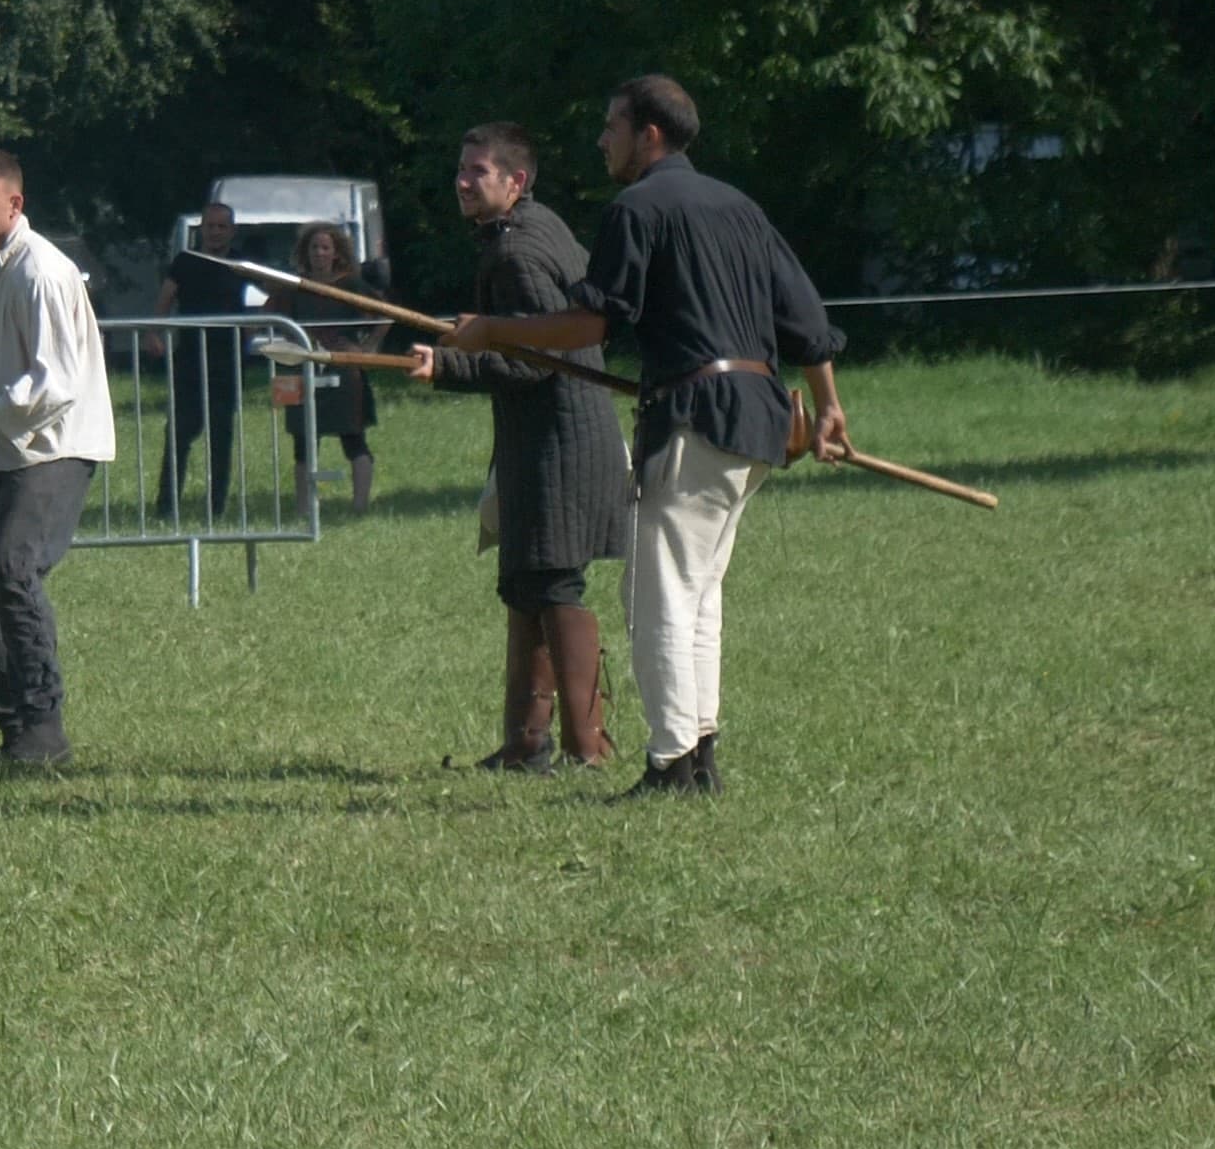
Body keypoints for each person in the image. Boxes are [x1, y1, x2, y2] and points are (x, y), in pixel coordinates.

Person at [440, 76, 848, 800]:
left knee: (658, 597)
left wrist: (489, 331)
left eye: (611, 127)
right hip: (755, 419)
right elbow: (807, 318)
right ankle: (699, 756)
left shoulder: (638, 207)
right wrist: (827, 408)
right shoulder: (740, 205)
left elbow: (589, 328)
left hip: (697, 416)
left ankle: (669, 765)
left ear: (648, 135)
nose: (602, 140)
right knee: (698, 596)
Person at [409, 124, 628, 771]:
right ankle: (526, 745)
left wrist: (447, 368)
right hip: (552, 434)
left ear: (516, 181)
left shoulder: (517, 254)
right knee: (528, 580)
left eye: (478, 171)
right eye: (462, 169)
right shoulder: (537, 229)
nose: (463, 181)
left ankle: (586, 749)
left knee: (555, 581)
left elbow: (538, 360)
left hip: (558, 439)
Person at [0, 149, 116, 766]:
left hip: (58, 446)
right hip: (10, 446)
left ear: (15, 204)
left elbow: (56, 383)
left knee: (11, 567)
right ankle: (17, 732)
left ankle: (44, 730)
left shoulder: (41, 272)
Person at [276, 221, 390, 516]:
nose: (319, 253)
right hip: (302, 369)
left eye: (325, 247)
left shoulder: (350, 285)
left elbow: (386, 315)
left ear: (335, 252)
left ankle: (360, 506)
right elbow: (273, 319)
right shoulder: (295, 286)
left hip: (344, 370)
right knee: (303, 441)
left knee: (353, 438)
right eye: (314, 247)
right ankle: (303, 509)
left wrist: (367, 348)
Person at [153, 201, 250, 521]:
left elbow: (273, 294)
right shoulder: (185, 261)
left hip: (227, 361)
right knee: (179, 433)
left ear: (232, 230)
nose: (216, 232)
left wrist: (258, 326)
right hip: (189, 361)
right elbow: (165, 299)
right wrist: (154, 333)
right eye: (211, 226)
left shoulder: (241, 265)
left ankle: (216, 508)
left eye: (223, 226)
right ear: (202, 229)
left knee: (222, 436)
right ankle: (166, 506)